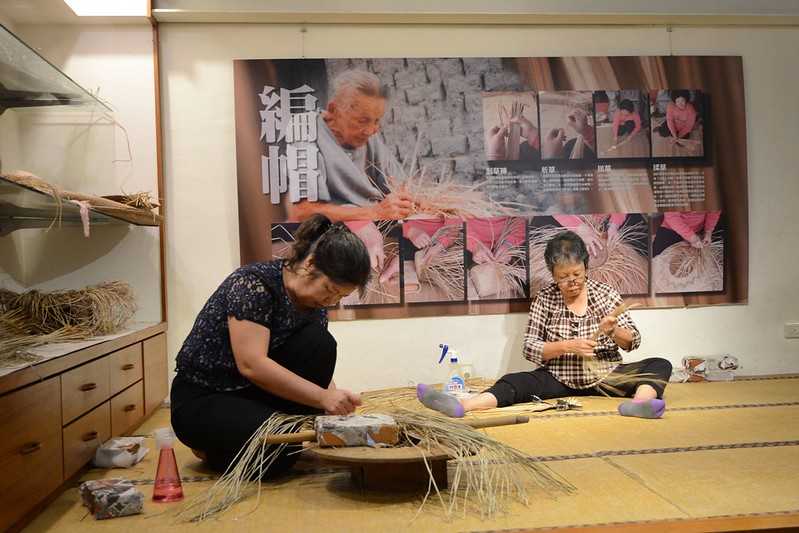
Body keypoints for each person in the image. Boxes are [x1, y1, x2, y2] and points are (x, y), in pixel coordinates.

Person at [171, 215, 371, 475]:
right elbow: (252, 364)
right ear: (310, 264)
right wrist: (323, 397)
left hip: (255, 397)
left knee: (320, 343)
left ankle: (253, 432)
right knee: (278, 456)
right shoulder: (254, 284)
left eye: (340, 296)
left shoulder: (314, 304)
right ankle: (211, 446)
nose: (331, 301)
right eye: (329, 289)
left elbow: (316, 367)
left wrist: (334, 402)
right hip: (205, 397)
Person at [417, 231, 672, 419]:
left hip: (605, 375)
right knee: (513, 382)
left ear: (586, 267)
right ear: (553, 274)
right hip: (558, 377)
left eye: (577, 275)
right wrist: (567, 346)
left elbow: (632, 341)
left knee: (660, 364)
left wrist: (613, 331)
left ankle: (639, 405)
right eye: (563, 277)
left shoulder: (605, 294)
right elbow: (530, 348)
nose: (572, 282)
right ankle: (462, 406)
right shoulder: (546, 298)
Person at [287, 69, 413, 224]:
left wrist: (406, 201)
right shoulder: (306, 132)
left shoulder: (369, 135)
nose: (371, 130)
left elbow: (401, 186)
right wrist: (375, 211)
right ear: (334, 110)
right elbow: (302, 212)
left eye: (377, 121)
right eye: (362, 121)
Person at [653, 211, 721, 256]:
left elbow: (714, 212)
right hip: (672, 227)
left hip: (698, 228)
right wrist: (692, 237)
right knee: (656, 256)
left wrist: (708, 232)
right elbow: (671, 217)